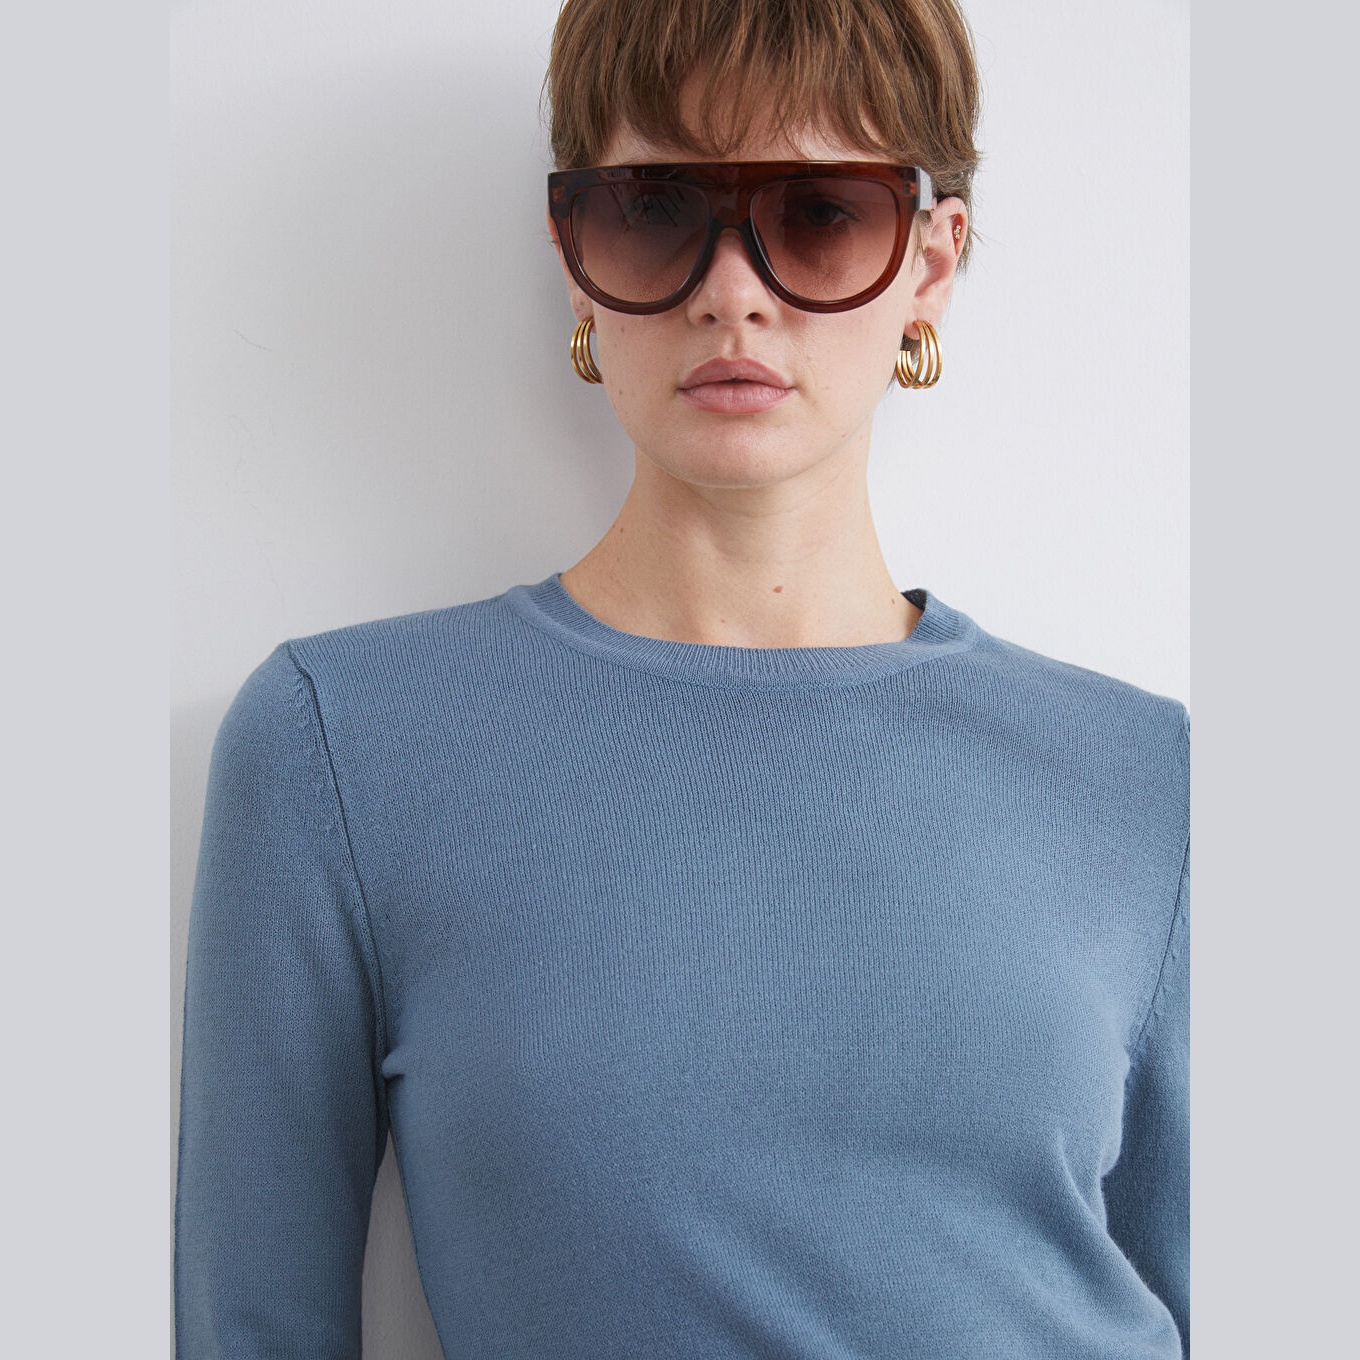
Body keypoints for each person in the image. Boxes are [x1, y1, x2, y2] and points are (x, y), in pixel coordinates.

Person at [174, 0, 1189, 1356]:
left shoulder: (1155, 782)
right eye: (656, 212)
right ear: (574, 257)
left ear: (930, 265)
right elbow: (251, 1324)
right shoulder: (339, 748)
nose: (733, 290)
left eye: (818, 215)